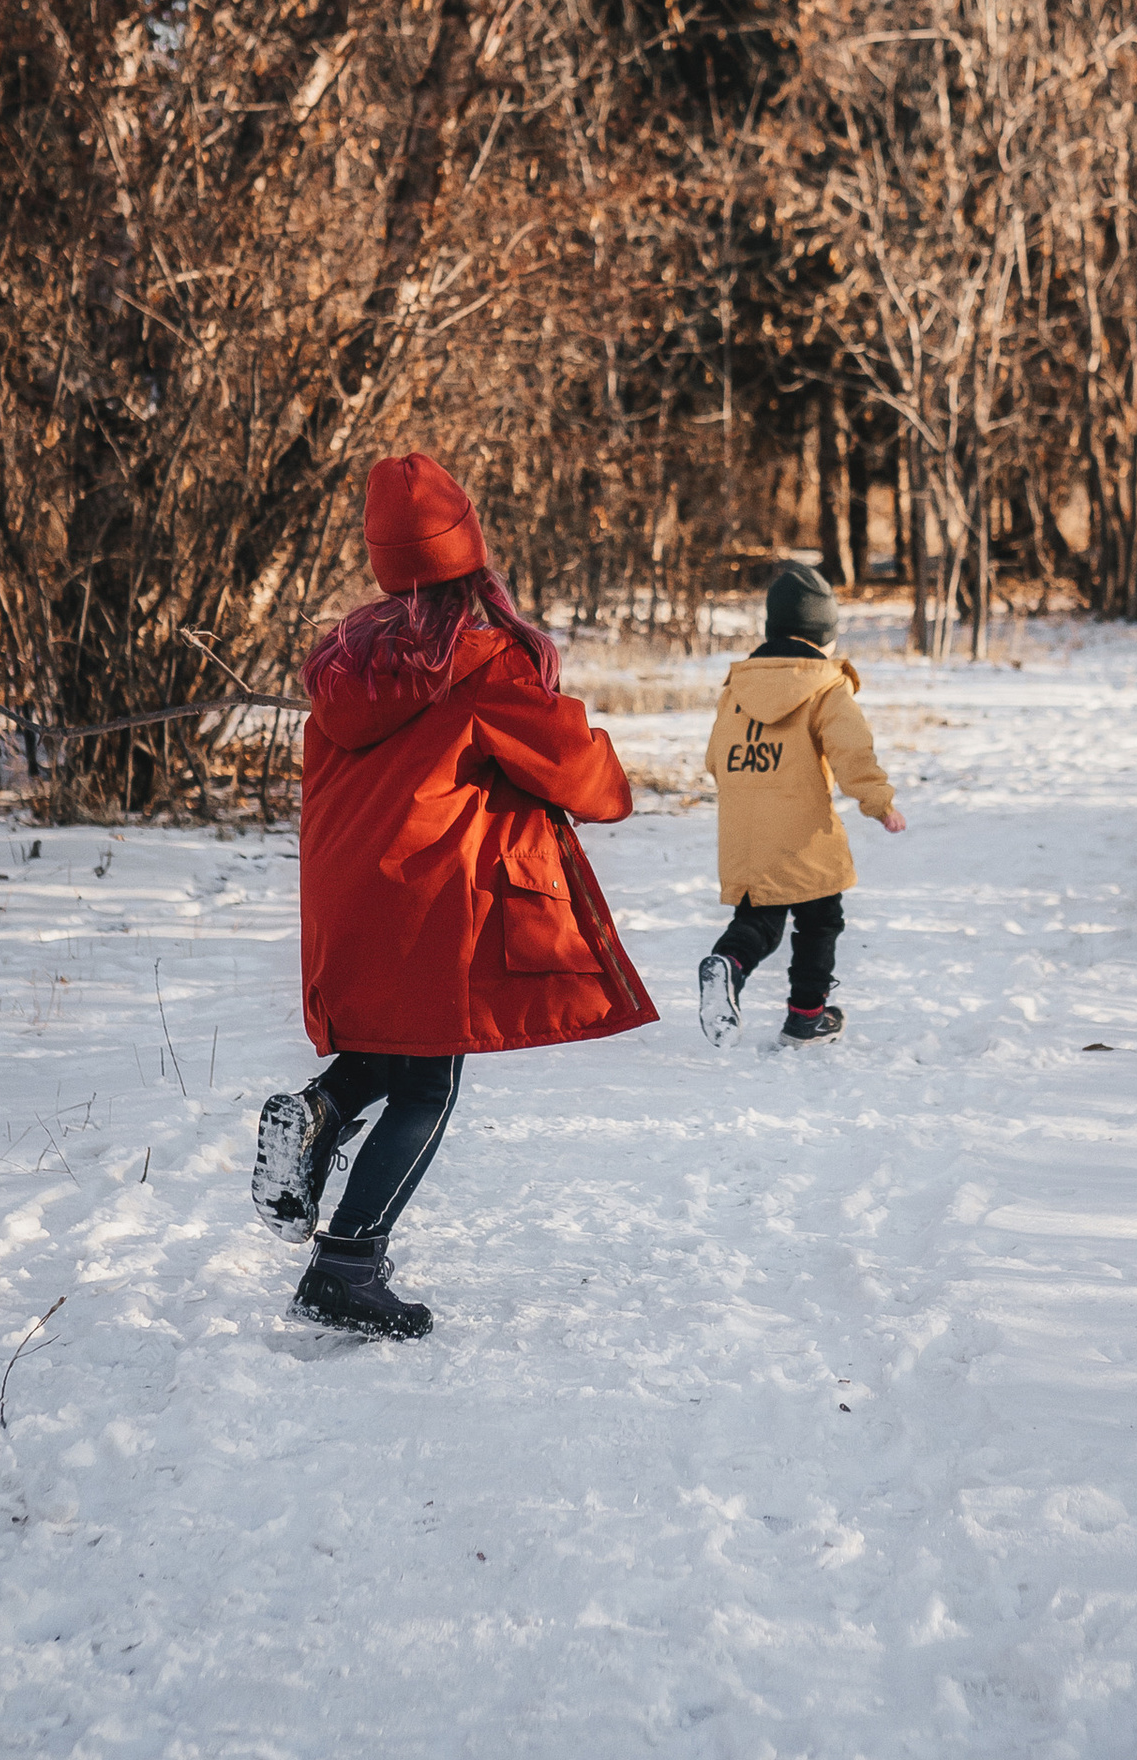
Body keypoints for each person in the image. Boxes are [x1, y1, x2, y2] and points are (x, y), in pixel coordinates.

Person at [253, 451, 655, 1338]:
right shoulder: (485, 665)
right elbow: (592, 783)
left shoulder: (343, 664)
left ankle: (319, 1110)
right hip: (429, 899)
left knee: (394, 1050)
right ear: (470, 551)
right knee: (428, 1086)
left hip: (345, 894)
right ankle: (344, 1268)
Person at [698, 562, 905, 1048]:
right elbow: (853, 753)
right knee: (820, 919)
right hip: (804, 831)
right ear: (823, 636)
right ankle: (806, 1018)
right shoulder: (828, 687)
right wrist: (879, 802)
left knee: (759, 921)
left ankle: (728, 963)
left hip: (744, 833)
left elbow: (715, 758)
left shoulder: (738, 687)